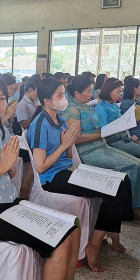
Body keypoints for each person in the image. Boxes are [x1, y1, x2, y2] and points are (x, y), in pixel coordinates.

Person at [0, 76, 80, 280]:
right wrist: (2, 167)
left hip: (9, 203)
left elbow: (8, 175)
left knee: (73, 229)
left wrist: (9, 168)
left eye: (2, 98)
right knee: (59, 240)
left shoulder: (1, 131)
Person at [29, 77, 133, 272]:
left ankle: (108, 232)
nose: (63, 99)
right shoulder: (39, 124)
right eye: (59, 95)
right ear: (46, 100)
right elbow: (41, 166)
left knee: (123, 181)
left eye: (62, 94)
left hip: (68, 169)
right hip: (52, 178)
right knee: (114, 189)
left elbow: (67, 155)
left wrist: (67, 144)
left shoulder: (58, 118)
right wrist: (64, 144)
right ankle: (94, 244)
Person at [63, 75, 140, 222]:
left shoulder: (84, 105)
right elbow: (76, 138)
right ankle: (133, 208)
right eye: (87, 92)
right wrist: (101, 134)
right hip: (87, 151)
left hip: (101, 146)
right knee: (134, 166)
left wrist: (103, 133)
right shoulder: (72, 109)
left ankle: (131, 204)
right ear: (76, 93)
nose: (91, 95)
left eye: (92, 91)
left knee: (137, 164)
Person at [95, 77, 140, 156]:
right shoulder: (101, 108)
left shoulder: (114, 106)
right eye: (118, 92)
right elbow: (104, 132)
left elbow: (123, 124)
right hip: (113, 142)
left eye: (120, 92)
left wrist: (130, 137)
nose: (120, 95)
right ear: (109, 91)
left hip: (123, 138)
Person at [120, 77, 140, 142]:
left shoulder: (137, 102)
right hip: (134, 135)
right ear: (135, 88)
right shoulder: (126, 103)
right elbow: (128, 123)